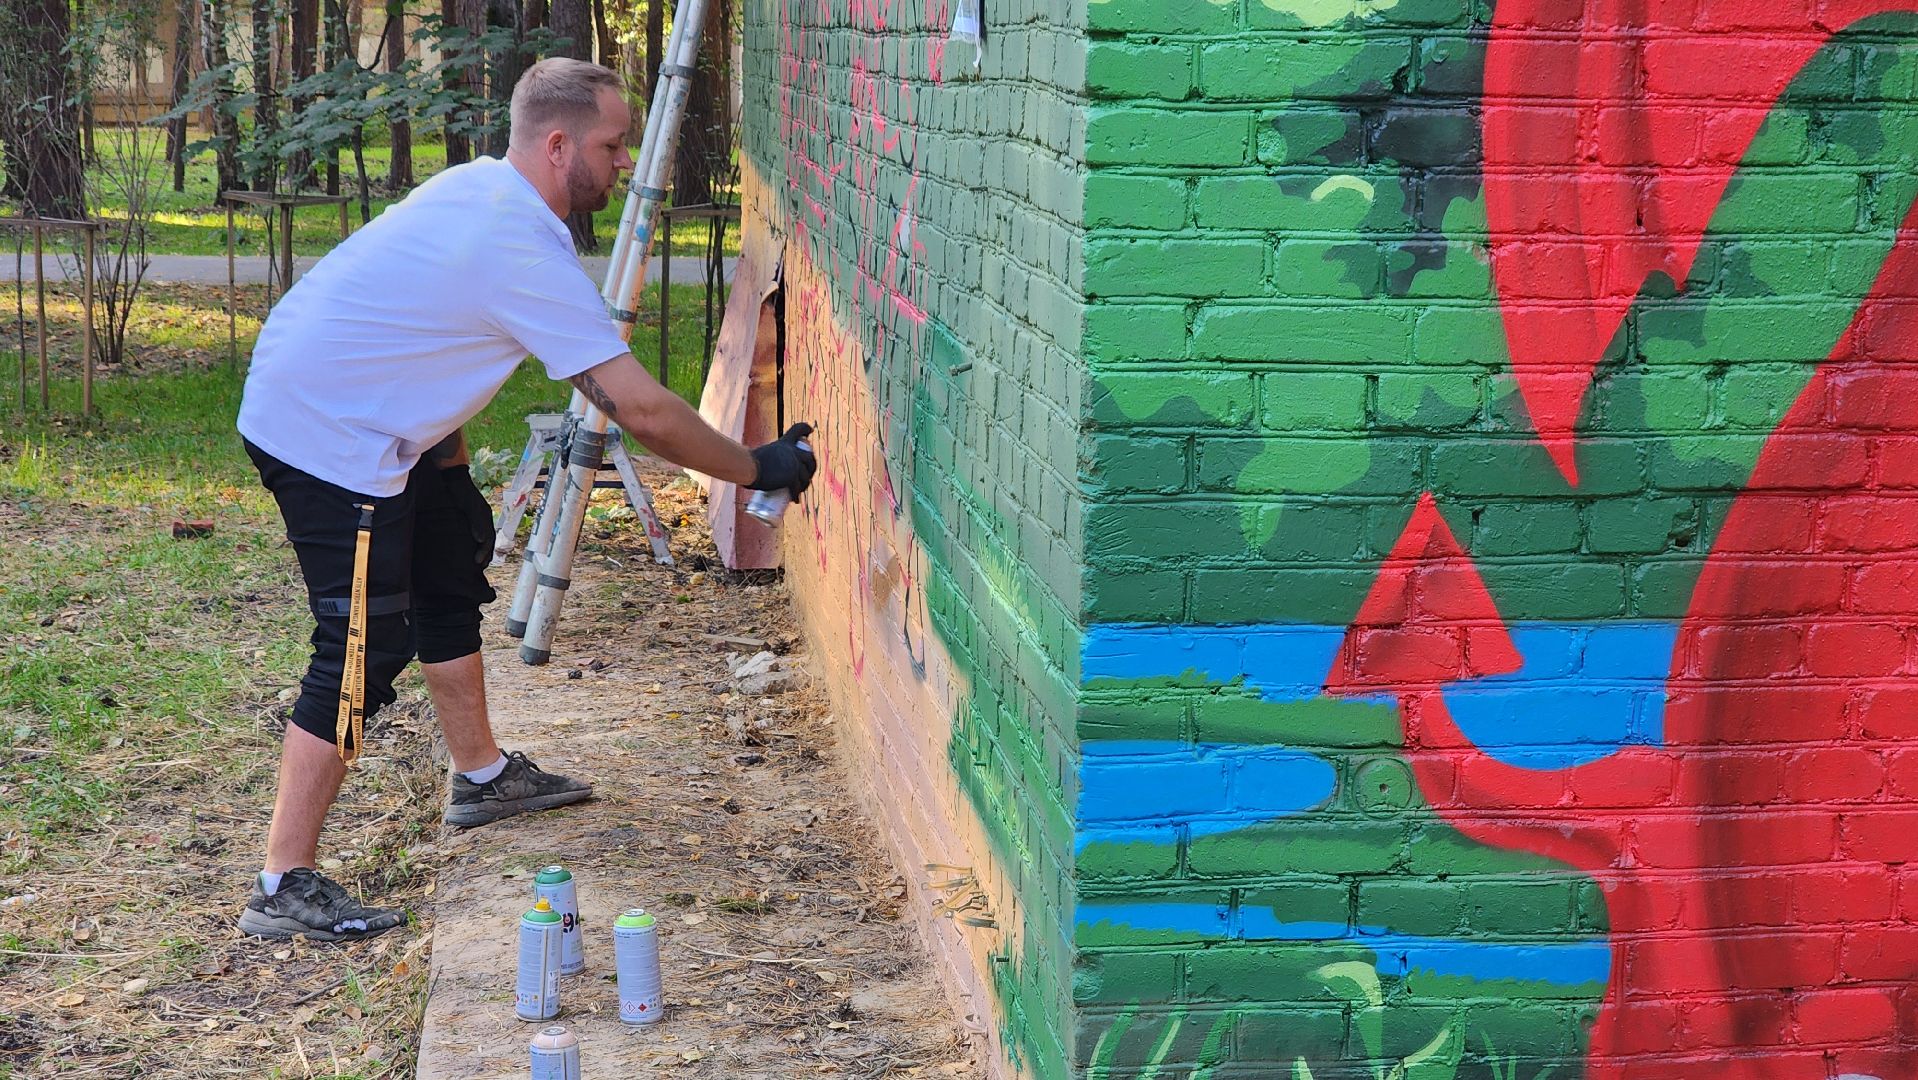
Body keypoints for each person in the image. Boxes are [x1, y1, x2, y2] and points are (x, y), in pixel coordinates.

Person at [232, 57, 815, 941]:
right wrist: (756, 467)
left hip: (379, 421)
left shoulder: (494, 195)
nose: (624, 163)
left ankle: (481, 775)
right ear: (557, 145)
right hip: (325, 435)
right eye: (613, 146)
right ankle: (282, 882)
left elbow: (418, 333)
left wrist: (446, 470)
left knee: (450, 569)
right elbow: (643, 409)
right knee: (361, 647)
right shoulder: (511, 241)